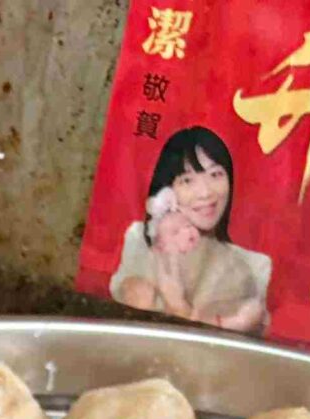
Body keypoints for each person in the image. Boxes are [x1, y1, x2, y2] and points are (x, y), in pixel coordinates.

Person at [109, 127, 272, 334]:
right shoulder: (139, 241)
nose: (205, 193)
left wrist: (177, 304)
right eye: (187, 180)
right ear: (168, 190)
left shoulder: (254, 266)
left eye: (215, 174)